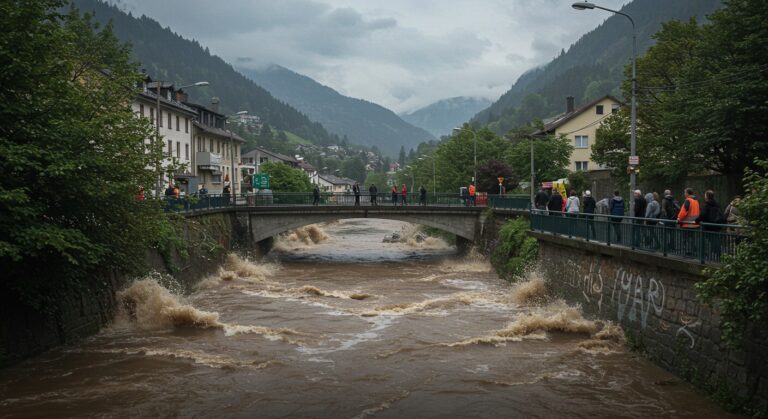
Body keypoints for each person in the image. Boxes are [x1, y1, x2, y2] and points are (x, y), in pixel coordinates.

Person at [696, 190, 724, 259]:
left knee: (706, 241)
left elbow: (703, 215)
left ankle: (707, 256)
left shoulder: (706, 205)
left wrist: (697, 220)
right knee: (715, 241)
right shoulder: (717, 205)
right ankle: (718, 255)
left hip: (708, 226)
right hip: (716, 226)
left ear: (706, 196)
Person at [677, 188, 701, 256]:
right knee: (692, 239)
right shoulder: (696, 201)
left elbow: (683, 211)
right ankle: (693, 251)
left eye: (685, 192)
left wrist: (679, 218)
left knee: (685, 239)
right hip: (695, 223)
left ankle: (687, 252)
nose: (684, 194)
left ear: (687, 193)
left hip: (687, 224)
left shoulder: (688, 200)